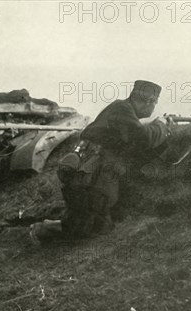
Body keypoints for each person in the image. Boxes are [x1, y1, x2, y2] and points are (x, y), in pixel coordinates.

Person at [30, 80, 173, 243]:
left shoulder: (123, 110)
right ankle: (42, 229)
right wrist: (160, 126)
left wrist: (163, 132)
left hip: (96, 170)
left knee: (97, 223)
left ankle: (55, 227)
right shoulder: (121, 108)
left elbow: (136, 143)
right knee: (89, 226)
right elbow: (142, 138)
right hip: (93, 170)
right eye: (154, 103)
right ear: (147, 102)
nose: (153, 108)